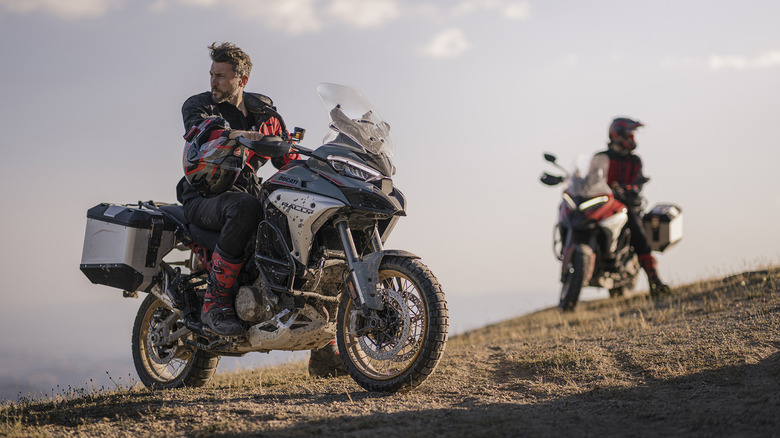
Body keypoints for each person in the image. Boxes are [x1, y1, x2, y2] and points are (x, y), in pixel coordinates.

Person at [177, 42, 299, 336]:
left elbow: (287, 160)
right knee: (246, 207)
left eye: (220, 76)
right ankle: (214, 303)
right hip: (205, 196)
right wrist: (238, 135)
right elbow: (201, 130)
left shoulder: (265, 115)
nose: (213, 82)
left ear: (241, 80)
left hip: (246, 192)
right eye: (212, 75)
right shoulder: (200, 105)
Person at [589, 117, 671, 297]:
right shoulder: (600, 158)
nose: (632, 139)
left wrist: (628, 188)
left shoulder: (635, 161)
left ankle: (654, 280)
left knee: (639, 233)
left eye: (632, 135)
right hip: (602, 204)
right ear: (616, 135)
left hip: (626, 205)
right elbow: (589, 179)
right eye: (629, 135)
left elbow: (637, 183)